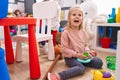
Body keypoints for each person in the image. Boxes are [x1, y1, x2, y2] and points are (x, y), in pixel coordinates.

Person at [47, 5, 103, 80]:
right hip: (71, 57)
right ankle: (58, 76)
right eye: (74, 15)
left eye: (79, 15)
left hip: (82, 56)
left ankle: (81, 63)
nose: (77, 17)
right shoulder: (66, 32)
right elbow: (64, 49)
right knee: (81, 68)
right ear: (69, 18)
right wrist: (77, 55)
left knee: (99, 62)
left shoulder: (83, 32)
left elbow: (85, 45)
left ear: (82, 19)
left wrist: (88, 52)